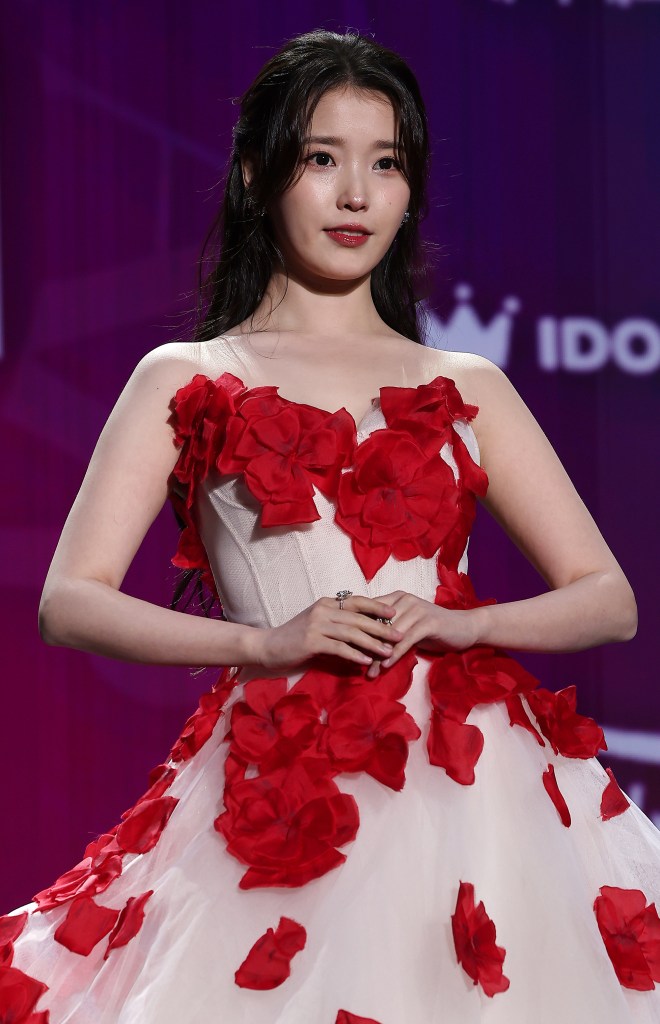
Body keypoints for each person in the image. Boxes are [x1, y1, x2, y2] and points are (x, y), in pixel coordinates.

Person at [2, 27, 659, 1024]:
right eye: (323, 159)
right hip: (283, 781)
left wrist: (464, 623)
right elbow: (70, 599)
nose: (357, 194)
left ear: (411, 191)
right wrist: (262, 642)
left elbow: (609, 599)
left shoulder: (465, 384)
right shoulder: (189, 378)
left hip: (475, 788)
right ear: (261, 173)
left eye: (386, 164)